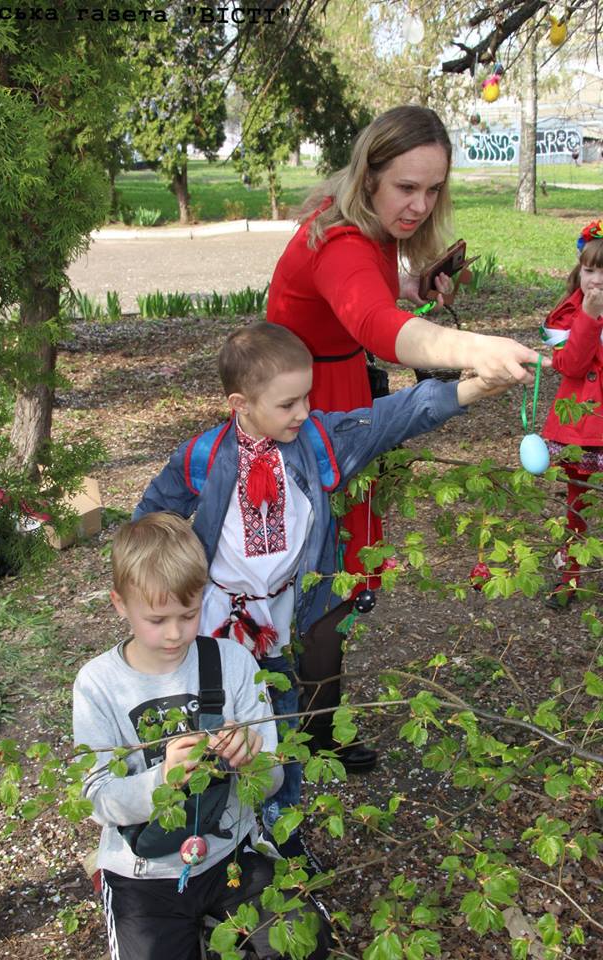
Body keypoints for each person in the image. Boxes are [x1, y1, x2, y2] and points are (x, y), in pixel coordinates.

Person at [133, 322, 511, 858]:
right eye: (288, 403)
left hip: (287, 624)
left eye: (307, 397)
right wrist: (167, 593)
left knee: (281, 729)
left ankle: (280, 834)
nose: (304, 412)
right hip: (218, 630)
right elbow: (147, 523)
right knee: (221, 731)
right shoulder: (202, 458)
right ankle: (218, 835)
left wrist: (469, 388)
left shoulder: (315, 444)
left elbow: (392, 418)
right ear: (240, 403)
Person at [266, 104, 548, 758]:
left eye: (433, 189)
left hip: (333, 391)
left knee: (333, 566)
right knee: (321, 574)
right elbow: (372, 322)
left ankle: (309, 717)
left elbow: (374, 308)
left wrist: (421, 290)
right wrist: (468, 346)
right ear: (369, 177)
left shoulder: (370, 230)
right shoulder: (338, 241)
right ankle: (313, 735)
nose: (420, 205)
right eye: (406, 187)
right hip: (305, 414)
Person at [73, 512, 331, 960]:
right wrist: (162, 780)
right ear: (120, 604)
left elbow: (271, 782)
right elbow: (98, 798)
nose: (174, 633)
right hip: (142, 875)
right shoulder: (98, 684)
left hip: (230, 854)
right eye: (157, 619)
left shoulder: (232, 663)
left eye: (188, 615)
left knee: (307, 944)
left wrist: (252, 759)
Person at [542, 219, 603, 608]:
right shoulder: (567, 314)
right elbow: (572, 366)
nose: (595, 279)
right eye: (589, 268)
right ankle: (571, 574)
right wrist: (590, 317)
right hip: (581, 426)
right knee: (576, 503)